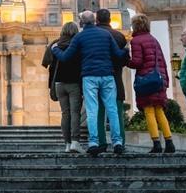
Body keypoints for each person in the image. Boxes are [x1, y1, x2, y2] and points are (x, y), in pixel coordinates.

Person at [52, 9, 128, 156]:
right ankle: (117, 142)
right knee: (111, 109)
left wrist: (55, 50)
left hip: (90, 76)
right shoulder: (106, 34)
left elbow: (66, 57)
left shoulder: (79, 37)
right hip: (107, 75)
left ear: (81, 22)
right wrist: (126, 50)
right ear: (94, 21)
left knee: (92, 110)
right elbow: (118, 54)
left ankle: (94, 142)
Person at [126, 15, 175, 153]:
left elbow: (137, 62)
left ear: (135, 26)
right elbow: (163, 63)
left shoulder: (136, 41)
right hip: (158, 80)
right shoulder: (154, 40)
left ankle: (156, 144)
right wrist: (166, 82)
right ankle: (169, 142)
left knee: (149, 111)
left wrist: (126, 60)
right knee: (159, 110)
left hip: (146, 81)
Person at [42, 21, 83, 153]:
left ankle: (67, 144)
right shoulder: (78, 44)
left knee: (65, 114)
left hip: (59, 83)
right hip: (74, 83)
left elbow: (45, 63)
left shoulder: (55, 44)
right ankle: (75, 142)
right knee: (75, 113)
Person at [94, 8, 128, 152]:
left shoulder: (93, 35)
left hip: (97, 77)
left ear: (97, 20)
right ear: (110, 20)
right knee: (117, 111)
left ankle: (102, 142)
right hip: (116, 77)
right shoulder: (119, 36)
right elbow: (125, 59)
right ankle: (120, 142)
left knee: (99, 112)